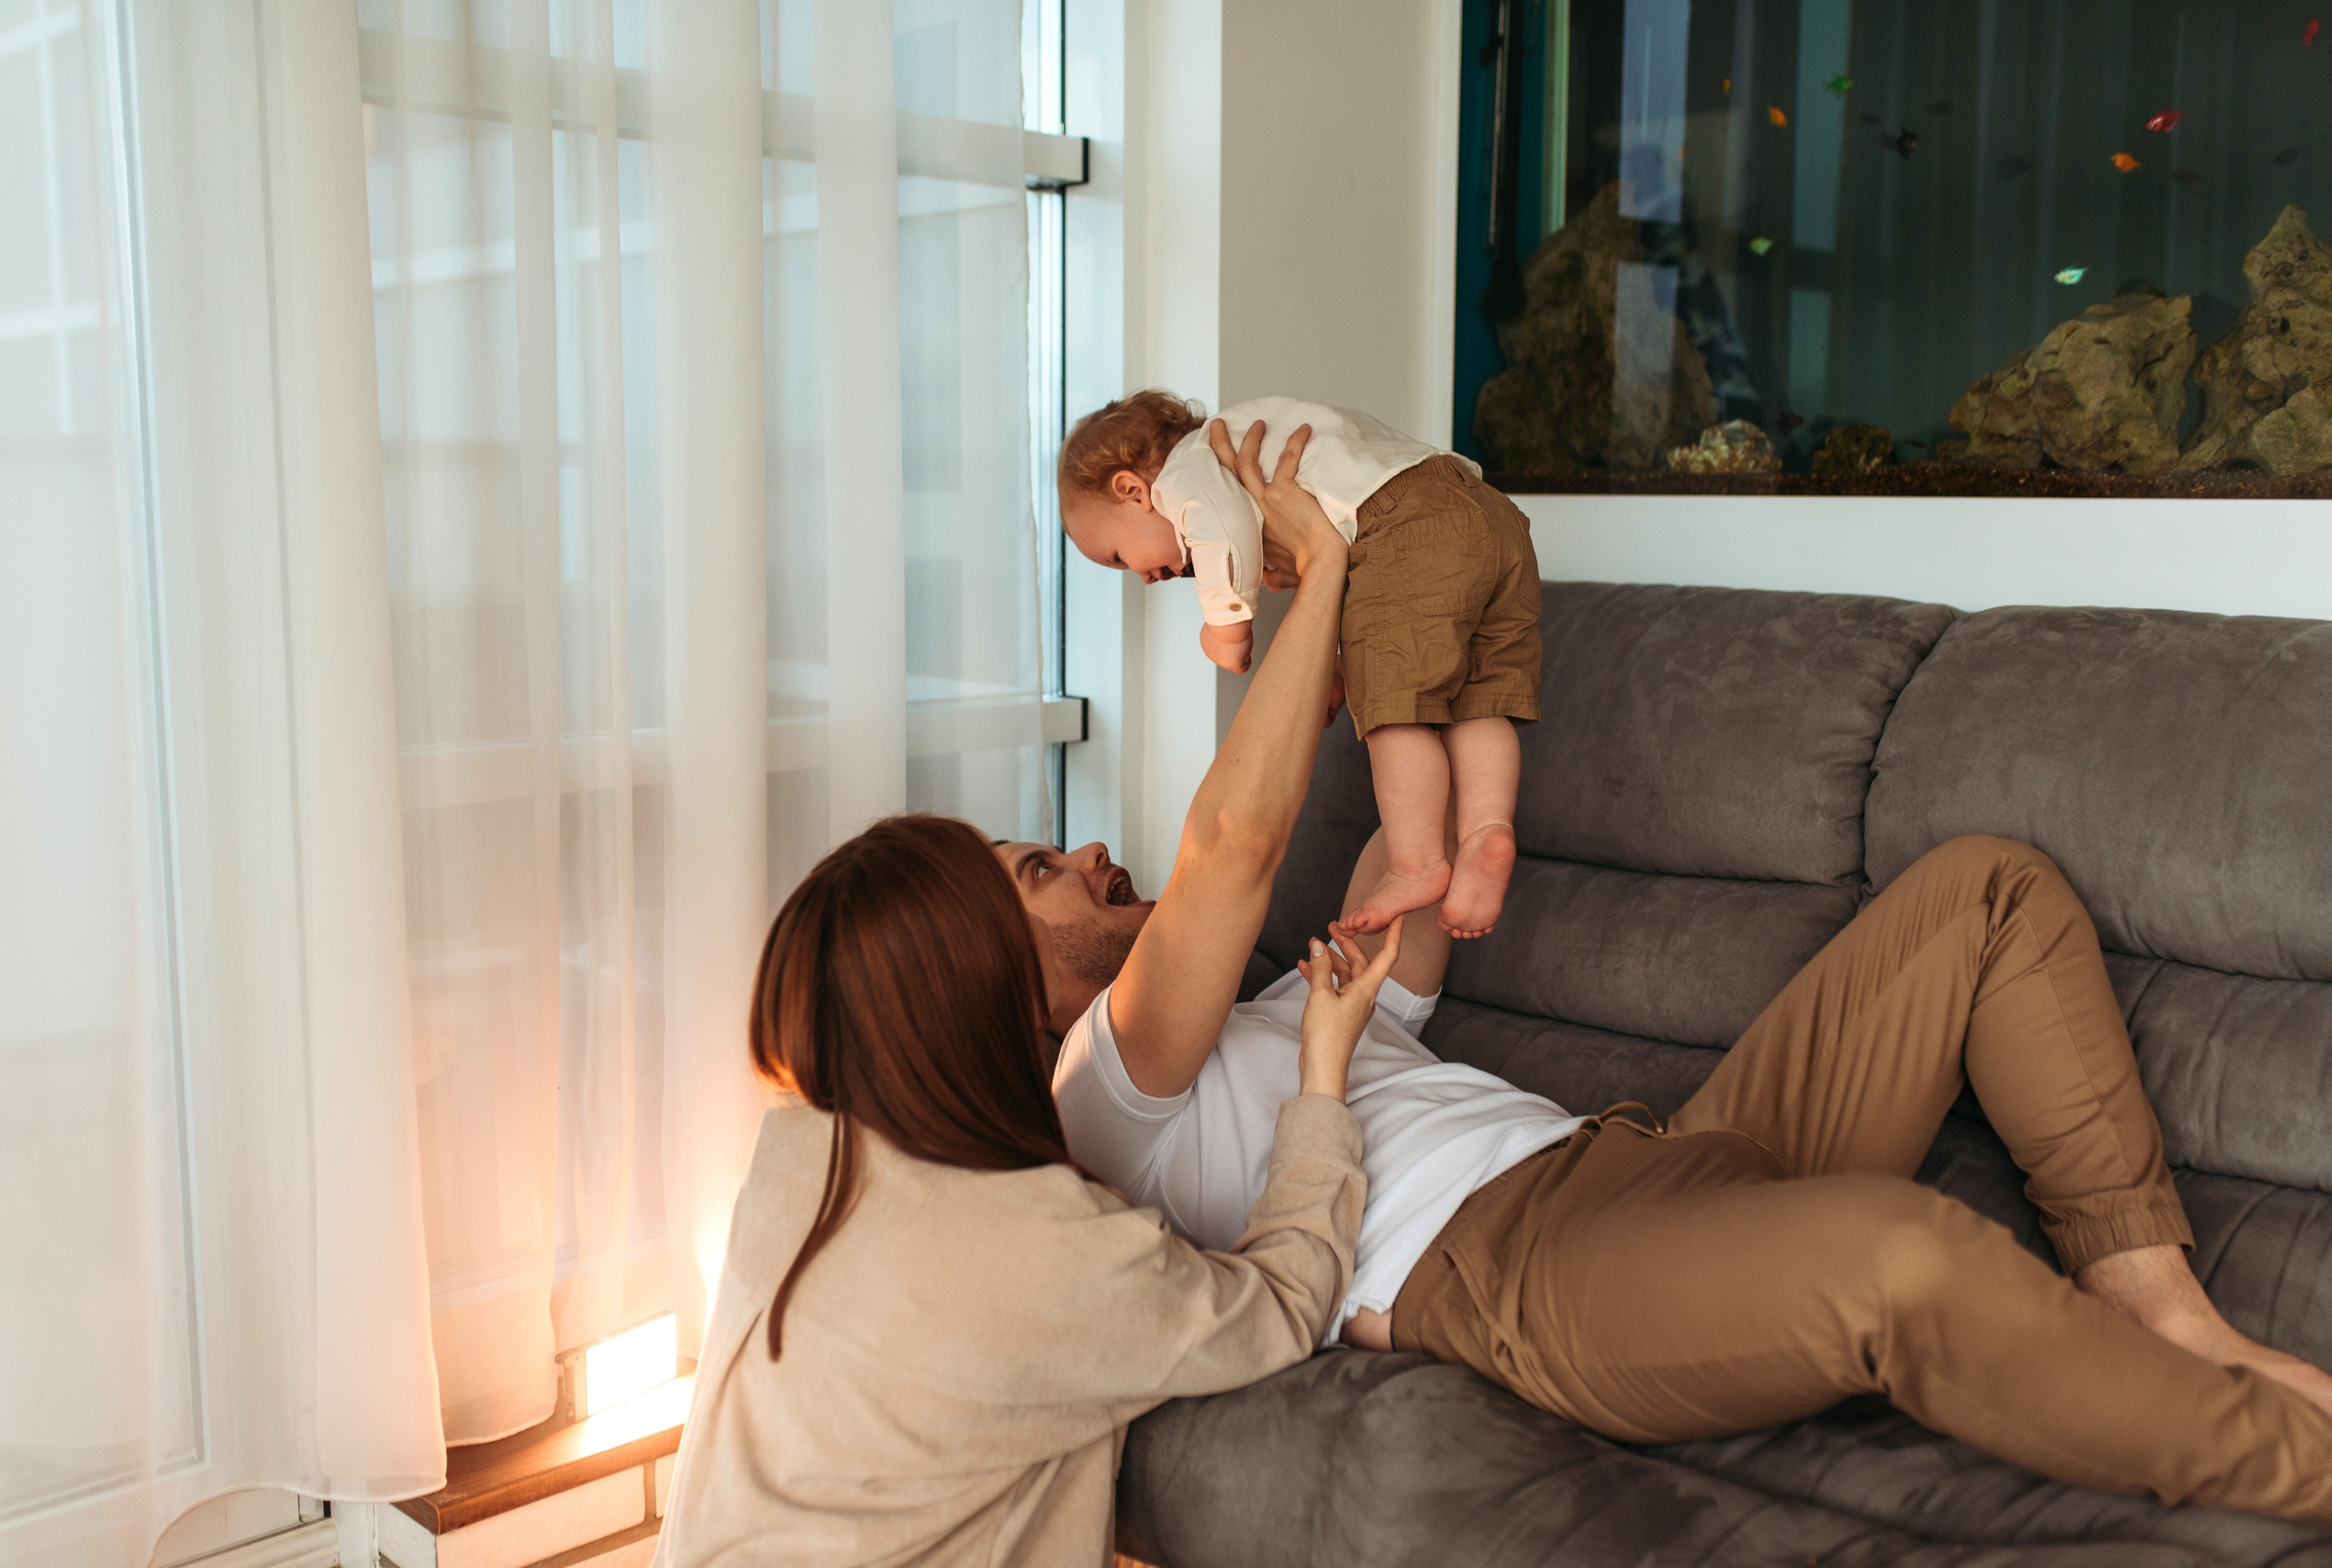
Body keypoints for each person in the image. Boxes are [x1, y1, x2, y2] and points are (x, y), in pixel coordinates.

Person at [999, 420, 2332, 1526]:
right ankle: (2298, 1460)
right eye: (1037, 870)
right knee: (1905, 1260)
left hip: (1659, 1160)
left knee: (1987, 889)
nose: (1090, 848)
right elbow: (1233, 843)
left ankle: (2158, 1307)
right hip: (1529, 1268)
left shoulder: (1296, 1004)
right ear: (998, 978)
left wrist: (1376, 557)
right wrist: (1333, 560)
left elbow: (1407, 872)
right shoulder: (1103, 1090)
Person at [655, 813, 1406, 1567]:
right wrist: (1322, 1081)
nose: (1091, 854)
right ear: (979, 985)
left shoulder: (794, 1155)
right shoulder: (1033, 1246)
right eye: (1030, 878)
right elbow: (1279, 1304)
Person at [1057, 391, 1539, 938]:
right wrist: (1341, 660)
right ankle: (1486, 831)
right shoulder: (1244, 456)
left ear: (1132, 489)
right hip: (1489, 514)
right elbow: (1382, 600)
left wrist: (1226, 626)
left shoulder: (1189, 468)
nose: (1143, 577)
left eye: (1119, 557)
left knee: (1394, 710)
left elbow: (1222, 532)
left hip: (1404, 518)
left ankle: (1417, 863)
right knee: (1482, 699)